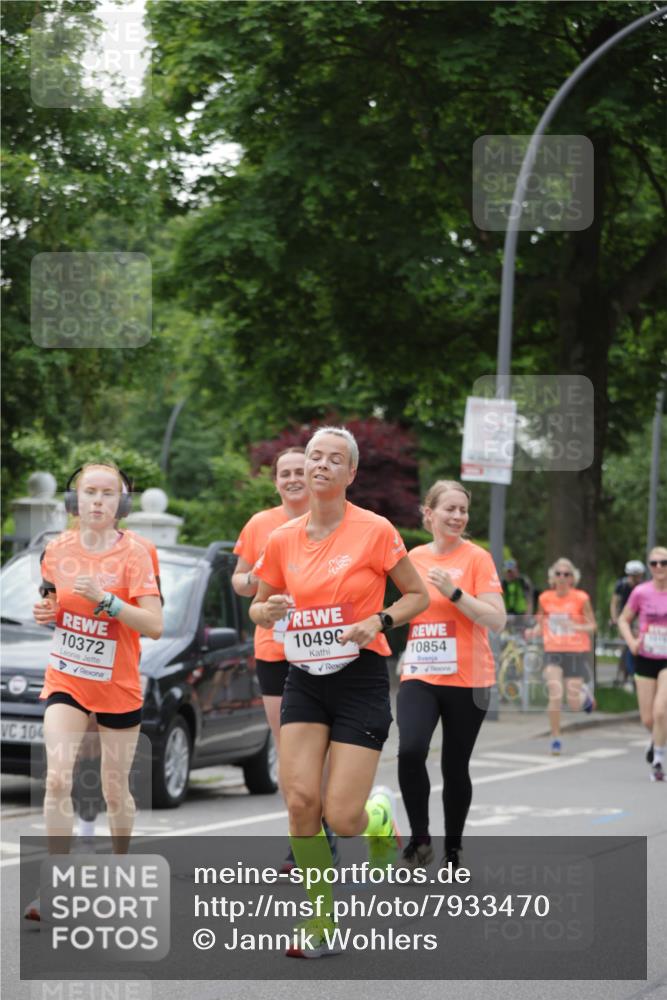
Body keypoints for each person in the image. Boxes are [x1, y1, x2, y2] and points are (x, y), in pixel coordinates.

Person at [250, 426, 429, 957]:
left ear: (351, 473)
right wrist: (268, 609)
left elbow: (417, 595)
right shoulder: (282, 538)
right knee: (300, 800)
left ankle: (378, 817)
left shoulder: (375, 530)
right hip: (304, 678)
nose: (321, 465)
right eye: (314, 456)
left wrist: (379, 620)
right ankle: (321, 919)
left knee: (342, 818)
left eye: (334, 459)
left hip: (360, 678)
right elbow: (259, 606)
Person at [24, 463, 162, 921]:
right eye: (90, 492)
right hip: (67, 679)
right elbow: (52, 602)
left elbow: (154, 625)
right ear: (75, 500)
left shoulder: (137, 554)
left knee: (114, 789)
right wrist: (47, 612)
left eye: (108, 493)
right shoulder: (56, 549)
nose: (98, 501)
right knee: (57, 779)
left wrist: (107, 600)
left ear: (122, 503)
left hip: (118, 685)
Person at [232, 447, 337, 868]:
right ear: (275, 481)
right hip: (275, 648)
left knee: (322, 750)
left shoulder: (332, 521)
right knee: (289, 751)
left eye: (299, 470)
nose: (293, 478)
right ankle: (303, 841)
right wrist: (261, 575)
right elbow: (240, 581)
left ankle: (326, 831)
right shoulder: (261, 524)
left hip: (322, 646)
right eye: (285, 473)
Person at [397, 481, 506, 872]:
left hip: (469, 678)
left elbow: (496, 619)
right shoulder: (414, 557)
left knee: (454, 766)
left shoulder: (477, 558)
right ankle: (420, 839)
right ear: (429, 513)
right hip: (421, 673)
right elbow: (404, 606)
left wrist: (455, 592)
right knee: (410, 750)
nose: (458, 516)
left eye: (463, 510)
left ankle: (454, 850)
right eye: (450, 509)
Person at [526, 557, 597, 755]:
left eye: (567, 574)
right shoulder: (544, 598)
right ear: (552, 577)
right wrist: (533, 631)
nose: (562, 577)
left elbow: (592, 626)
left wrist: (574, 626)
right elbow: (541, 623)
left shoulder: (581, 598)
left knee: (573, 703)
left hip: (575, 651)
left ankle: (585, 696)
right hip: (553, 651)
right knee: (555, 694)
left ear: (572, 578)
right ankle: (555, 738)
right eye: (558, 573)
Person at [618, 546, 667, 781]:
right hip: (645, 657)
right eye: (654, 563)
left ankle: (658, 761)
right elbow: (623, 619)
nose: (659, 567)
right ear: (649, 567)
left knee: (661, 710)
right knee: (648, 718)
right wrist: (631, 642)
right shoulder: (641, 592)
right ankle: (657, 738)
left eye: (664, 562)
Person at [610, 560, 646, 685]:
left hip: (637, 618)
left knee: (637, 646)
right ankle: (622, 676)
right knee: (624, 647)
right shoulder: (621, 585)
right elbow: (614, 603)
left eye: (637, 576)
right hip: (624, 617)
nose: (635, 579)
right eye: (632, 576)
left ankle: (636, 675)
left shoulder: (642, 587)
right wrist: (614, 618)